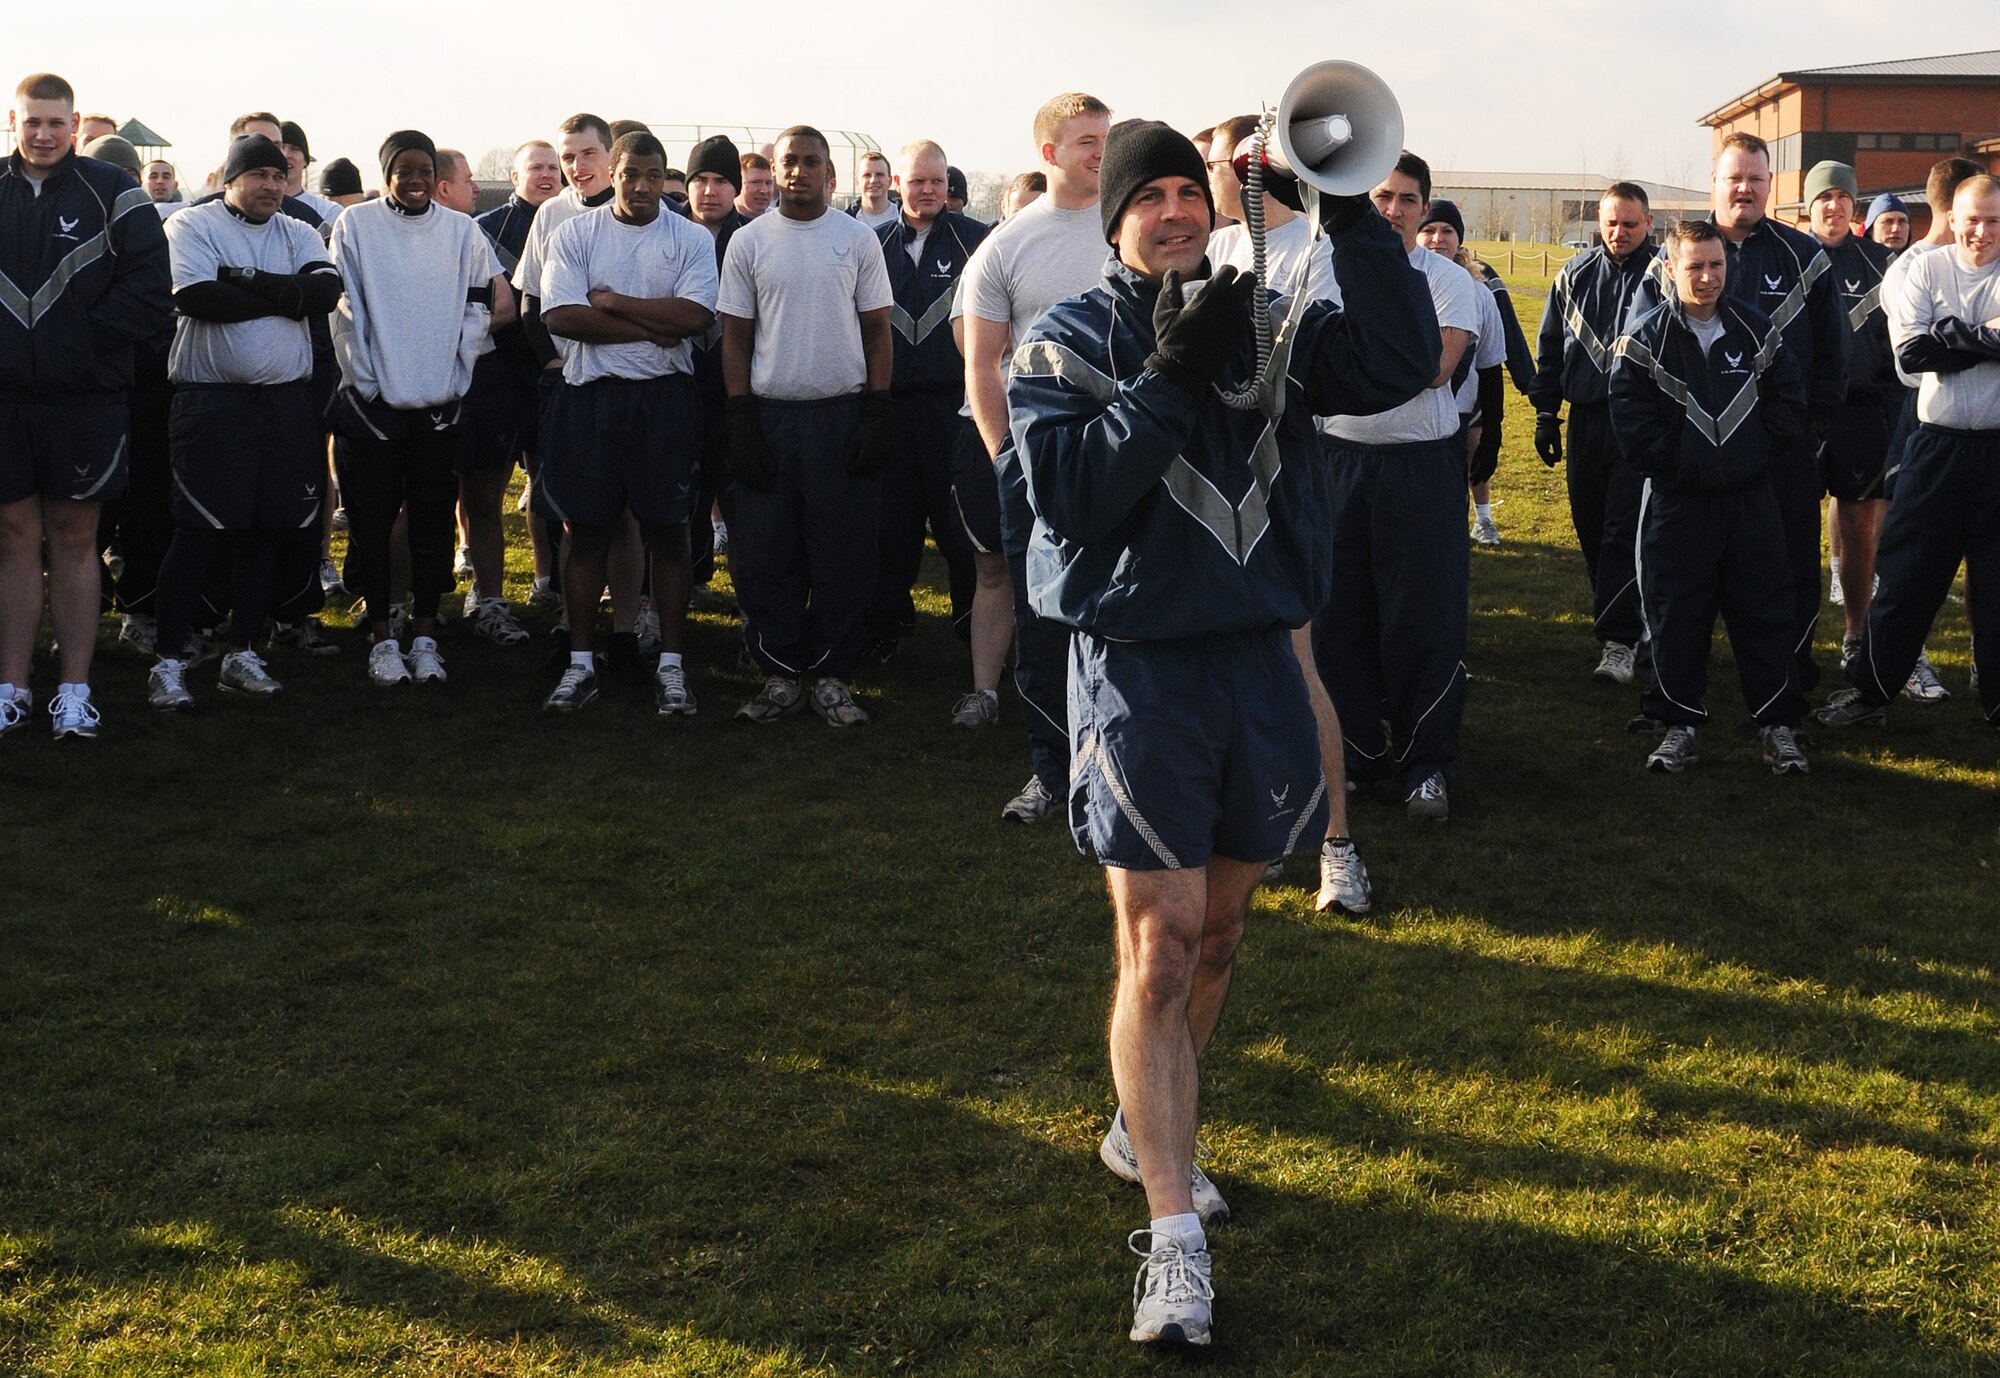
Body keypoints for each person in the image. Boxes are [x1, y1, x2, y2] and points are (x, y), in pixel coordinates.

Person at [1010, 118, 1437, 1347]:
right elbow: (1070, 495)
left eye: (1185, 194)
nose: (1172, 213)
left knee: (1223, 931)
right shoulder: (1063, 338)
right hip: (1139, 667)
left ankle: (1140, 1123)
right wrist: (1167, 376)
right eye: (1144, 198)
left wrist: (1349, 214)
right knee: (1160, 943)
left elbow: (1398, 362)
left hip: (1257, 662)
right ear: (1114, 222)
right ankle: (1172, 1242)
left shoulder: (1270, 320)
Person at [1204, 111, 1369, 913]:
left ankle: (1338, 845)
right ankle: (1257, 828)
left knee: (1296, 664)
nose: (1207, 180)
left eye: (1214, 166)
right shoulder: (1215, 249)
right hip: (1212, 484)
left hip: (1284, 480)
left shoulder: (1318, 250)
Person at [0, 72, 171, 740]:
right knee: (12, 539)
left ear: (74, 126)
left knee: (76, 538)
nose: (43, 135)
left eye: (55, 123)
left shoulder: (113, 192)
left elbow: (150, 289)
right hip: (6, 400)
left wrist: (76, 343)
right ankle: (11, 687)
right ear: (12, 123)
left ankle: (75, 691)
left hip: (86, 401)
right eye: (31, 122)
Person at [147, 134, 343, 710]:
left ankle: (243, 652)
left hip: (284, 404)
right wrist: (286, 298)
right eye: (259, 175)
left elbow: (324, 293)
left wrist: (246, 279)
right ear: (230, 179)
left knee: (267, 529)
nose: (271, 186)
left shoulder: (299, 231)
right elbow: (199, 298)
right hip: (213, 403)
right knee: (200, 530)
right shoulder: (193, 224)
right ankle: (167, 661)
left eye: (279, 176)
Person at [1609, 218, 1811, 774]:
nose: (1706, 277)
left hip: (1751, 501)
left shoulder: (1757, 330)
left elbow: (1789, 400)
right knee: (1677, 614)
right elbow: (1631, 423)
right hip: (1679, 504)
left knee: (1767, 610)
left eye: (1716, 264)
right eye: (1694, 266)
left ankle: (1777, 725)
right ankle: (1678, 725)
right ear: (1670, 268)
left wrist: (1751, 457)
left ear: (1728, 265)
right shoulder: (1642, 339)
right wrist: (1685, 464)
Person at [957, 91, 1110, 822]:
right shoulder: (1005, 246)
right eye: (1087, 142)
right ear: (1049, 154)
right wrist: (1007, 460)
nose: (1102, 153)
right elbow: (982, 365)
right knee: (1044, 621)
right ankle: (1052, 771)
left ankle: (1125, 768)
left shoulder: (1131, 226)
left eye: (1107, 139)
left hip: (1132, 456)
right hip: (1039, 466)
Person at [1314, 151, 1478, 821]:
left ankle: (1425, 764)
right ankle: (1354, 753)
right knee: (1338, 616)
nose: (1393, 209)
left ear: (1424, 209)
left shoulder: (1448, 279)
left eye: (1408, 199)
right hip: (1339, 459)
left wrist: (1360, 354)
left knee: (1423, 617)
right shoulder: (1327, 267)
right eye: (1381, 196)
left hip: (1419, 464)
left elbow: (1428, 369)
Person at [718, 125, 894, 726]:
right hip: (770, 417)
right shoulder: (748, 242)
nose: (798, 171)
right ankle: (780, 673)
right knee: (768, 552)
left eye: (810, 161)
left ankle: (832, 674)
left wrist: (877, 408)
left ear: (829, 172)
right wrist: (740, 415)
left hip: (841, 415)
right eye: (788, 161)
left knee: (842, 552)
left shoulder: (857, 240)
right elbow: (735, 337)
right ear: (773, 170)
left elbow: (878, 332)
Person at [538, 131, 718, 714]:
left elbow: (695, 315)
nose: (642, 186)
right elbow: (563, 317)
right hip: (591, 399)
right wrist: (652, 328)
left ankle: (671, 664)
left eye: (653, 175)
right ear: (612, 174)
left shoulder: (689, 237)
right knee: (588, 532)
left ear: (666, 177)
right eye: (631, 174)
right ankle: (580, 663)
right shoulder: (574, 234)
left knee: (669, 532)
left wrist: (615, 304)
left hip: (666, 401)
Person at [1817, 173, 2000, 731]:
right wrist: (1987, 337)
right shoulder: (1923, 267)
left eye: (1994, 221)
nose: (1981, 232)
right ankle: (1870, 691)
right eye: (1972, 220)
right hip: (1936, 446)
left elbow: (1934, 343)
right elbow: (1914, 354)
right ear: (1952, 217)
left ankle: (1996, 702)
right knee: (1906, 577)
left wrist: (1951, 334)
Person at [328, 129, 509, 687]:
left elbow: (480, 306)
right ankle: (384, 638)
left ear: (436, 176)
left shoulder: (461, 230)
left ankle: (427, 636)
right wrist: (370, 382)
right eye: (402, 170)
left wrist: (454, 374)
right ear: (385, 174)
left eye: (424, 170)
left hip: (439, 403)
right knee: (374, 522)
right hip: (374, 405)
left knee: (432, 522)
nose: (414, 180)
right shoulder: (355, 225)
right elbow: (344, 308)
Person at [1707, 133, 1848, 698]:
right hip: (1701, 453)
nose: (1744, 188)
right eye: (1734, 177)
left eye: (1755, 179)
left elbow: (1834, 353)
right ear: (1714, 182)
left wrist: (1812, 433)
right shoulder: (1682, 252)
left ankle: (1790, 676)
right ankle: (1681, 687)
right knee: (1690, 573)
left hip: (1783, 453)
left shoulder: (1803, 255)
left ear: (1770, 186)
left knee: (1789, 570)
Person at [515, 114, 647, 670]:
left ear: (611, 158)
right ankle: (576, 623)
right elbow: (533, 302)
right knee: (578, 516)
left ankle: (629, 625)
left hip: (639, 385)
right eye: (567, 157)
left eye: (586, 154)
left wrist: (620, 320)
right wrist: (551, 360)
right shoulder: (553, 214)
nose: (575, 167)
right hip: (575, 383)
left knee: (631, 515)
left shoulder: (648, 213)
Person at [1531, 183, 1666, 687]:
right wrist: (1546, 414)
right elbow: (1550, 347)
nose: (1619, 232)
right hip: (1586, 423)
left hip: (1639, 425)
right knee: (1590, 527)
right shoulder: (1574, 274)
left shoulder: (1665, 274)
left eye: (1630, 223)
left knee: (1621, 532)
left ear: (1648, 223)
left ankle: (1620, 641)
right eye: (1611, 223)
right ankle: (1622, 615)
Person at [863, 139, 987, 678]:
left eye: (937, 181)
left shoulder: (978, 241)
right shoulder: (871, 244)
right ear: (898, 185)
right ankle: (885, 627)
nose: (929, 190)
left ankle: (974, 631)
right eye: (917, 182)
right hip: (889, 409)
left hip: (952, 409)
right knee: (890, 528)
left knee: (961, 531)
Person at [458, 139, 563, 642]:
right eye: (535, 168)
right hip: (501, 378)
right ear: (514, 177)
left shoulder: (574, 221)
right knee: (487, 491)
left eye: (553, 168)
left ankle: (548, 582)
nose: (546, 175)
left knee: (551, 486)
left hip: (556, 374)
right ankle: (482, 586)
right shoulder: (486, 228)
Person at [1802, 161, 1897, 669]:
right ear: (1809, 206)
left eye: (1842, 197)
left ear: (1854, 207)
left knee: (1860, 531)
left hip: (1860, 414)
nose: (1833, 205)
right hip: (1799, 415)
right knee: (1792, 528)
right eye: (1824, 197)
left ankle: (1856, 632)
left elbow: (1898, 343)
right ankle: (1791, 635)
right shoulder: (1790, 256)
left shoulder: (1882, 262)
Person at [682, 135, 752, 611]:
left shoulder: (754, 239)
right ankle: (668, 601)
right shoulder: (664, 232)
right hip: (676, 392)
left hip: (735, 399)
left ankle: (754, 611)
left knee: (743, 511)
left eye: (722, 180)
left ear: (736, 187)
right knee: (676, 509)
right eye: (700, 179)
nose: (709, 191)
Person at [1415, 200, 1511, 547]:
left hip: (1458, 411)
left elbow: (1491, 364)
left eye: (1447, 231)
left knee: (1453, 491)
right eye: (1429, 230)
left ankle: (1478, 522)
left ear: (1460, 239)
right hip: (1407, 416)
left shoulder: (1479, 293)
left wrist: (1493, 431)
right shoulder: (1399, 282)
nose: (1437, 238)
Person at [280, 121, 345, 224]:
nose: (286, 155)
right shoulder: (257, 208)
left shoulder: (328, 211)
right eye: (280, 147)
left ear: (305, 161)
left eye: (295, 149)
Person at [849, 150, 898, 230]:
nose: (873, 180)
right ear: (856, 182)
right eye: (867, 175)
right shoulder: (845, 223)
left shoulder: (907, 218)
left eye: (879, 174)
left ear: (890, 181)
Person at [735, 152, 774, 219]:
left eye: (768, 183)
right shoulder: (720, 220)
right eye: (756, 183)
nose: (764, 191)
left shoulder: (779, 221)